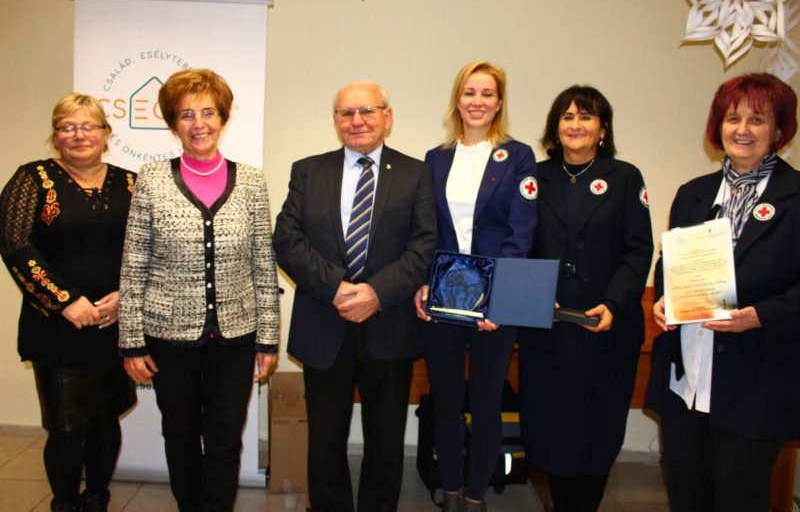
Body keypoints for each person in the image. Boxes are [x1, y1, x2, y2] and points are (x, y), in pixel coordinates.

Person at [118, 68, 279, 512]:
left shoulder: (251, 181)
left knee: (225, 437)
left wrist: (267, 339)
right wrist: (131, 343)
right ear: (173, 124)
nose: (199, 123)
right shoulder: (151, 179)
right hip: (168, 335)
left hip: (236, 335)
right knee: (180, 433)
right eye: (186, 114)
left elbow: (262, 264)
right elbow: (133, 265)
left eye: (208, 112)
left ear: (223, 118)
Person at [272, 81, 436, 512]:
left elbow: (424, 246)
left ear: (387, 116)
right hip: (325, 324)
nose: (357, 120)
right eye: (347, 113)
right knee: (325, 442)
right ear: (335, 120)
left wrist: (377, 293)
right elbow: (287, 240)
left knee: (386, 442)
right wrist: (336, 288)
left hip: (390, 325)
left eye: (367, 111)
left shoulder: (416, 173)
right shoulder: (308, 171)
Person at [646, 73, 800, 512]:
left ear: (779, 130)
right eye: (733, 118)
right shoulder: (693, 193)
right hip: (687, 380)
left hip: (758, 378)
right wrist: (663, 298)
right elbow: (670, 261)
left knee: (739, 495)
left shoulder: (795, 196)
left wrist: (761, 315)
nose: (742, 129)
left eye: (757, 119)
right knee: (686, 491)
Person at [518, 85, 653, 512]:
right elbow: (518, 245)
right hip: (550, 327)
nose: (576, 125)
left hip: (605, 329)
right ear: (555, 128)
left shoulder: (625, 177)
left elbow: (638, 251)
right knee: (552, 430)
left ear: (603, 128)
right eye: (568, 117)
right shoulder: (533, 177)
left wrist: (613, 303)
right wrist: (534, 297)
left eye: (586, 116)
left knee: (598, 431)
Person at [0, 93, 136, 512]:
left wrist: (124, 298)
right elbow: (14, 244)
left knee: (105, 419)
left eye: (88, 126)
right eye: (67, 127)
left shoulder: (131, 183)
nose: (79, 135)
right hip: (56, 327)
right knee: (66, 427)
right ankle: (64, 503)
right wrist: (65, 301)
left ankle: (96, 499)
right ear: (55, 135)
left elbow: (145, 249)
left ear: (106, 133)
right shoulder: (32, 178)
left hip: (112, 323)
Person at [413, 61, 538, 511]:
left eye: (487, 93)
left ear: (499, 102)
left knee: (486, 403)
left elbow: (521, 232)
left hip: (496, 304)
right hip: (445, 296)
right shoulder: (436, 158)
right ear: (457, 100)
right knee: (445, 400)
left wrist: (499, 300)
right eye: (469, 92)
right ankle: (450, 492)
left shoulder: (518, 156)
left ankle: (476, 497)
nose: (477, 101)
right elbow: (425, 230)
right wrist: (423, 284)